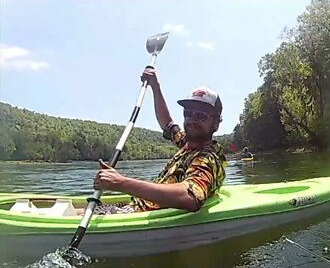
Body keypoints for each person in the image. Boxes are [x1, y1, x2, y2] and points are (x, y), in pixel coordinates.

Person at [88, 67, 227, 215]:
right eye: (188, 113)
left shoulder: (207, 159)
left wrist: (121, 183)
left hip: (140, 213)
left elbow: (190, 197)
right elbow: (168, 124)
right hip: (136, 206)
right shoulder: (188, 143)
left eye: (201, 115)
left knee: (79, 213)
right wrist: (155, 86)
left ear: (217, 122)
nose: (192, 120)